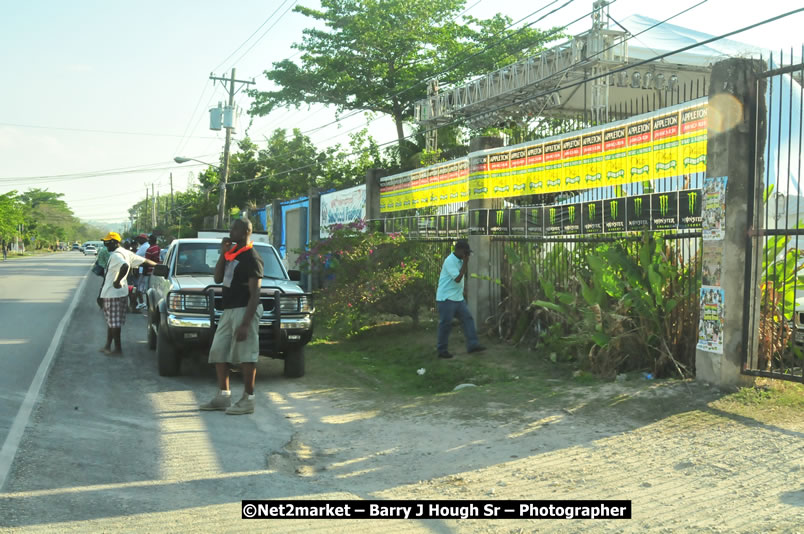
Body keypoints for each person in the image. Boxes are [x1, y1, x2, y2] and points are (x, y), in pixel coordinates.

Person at [200, 218, 264, 415]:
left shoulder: (252, 258)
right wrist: (222, 253)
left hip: (245, 309)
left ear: (245, 231)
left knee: (246, 355)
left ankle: (248, 399)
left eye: (234, 229)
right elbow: (218, 278)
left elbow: (255, 294)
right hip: (228, 310)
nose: (230, 232)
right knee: (219, 351)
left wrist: (245, 324)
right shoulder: (231, 255)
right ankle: (223, 396)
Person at [99, 232, 156, 355]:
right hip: (120, 293)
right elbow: (145, 261)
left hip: (113, 293)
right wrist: (161, 266)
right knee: (112, 321)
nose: (105, 245)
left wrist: (117, 281)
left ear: (114, 242)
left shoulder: (116, 255)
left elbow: (124, 266)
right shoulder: (126, 253)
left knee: (114, 323)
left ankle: (117, 349)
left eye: (107, 242)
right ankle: (108, 346)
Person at [435, 239, 485, 359]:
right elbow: (457, 278)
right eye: (465, 252)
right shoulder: (450, 261)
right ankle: (442, 350)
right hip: (446, 299)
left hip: (457, 299)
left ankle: (473, 345)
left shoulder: (460, 260)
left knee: (467, 319)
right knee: (445, 324)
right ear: (458, 250)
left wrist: (464, 291)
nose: (466, 255)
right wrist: (466, 262)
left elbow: (460, 280)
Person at [136, 234, 160, 310]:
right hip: (156, 271)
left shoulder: (149, 249)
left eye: (149, 239)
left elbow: (146, 262)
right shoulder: (157, 248)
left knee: (147, 289)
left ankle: (147, 304)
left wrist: (144, 272)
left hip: (148, 272)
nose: (148, 240)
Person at [134, 234, 149, 309]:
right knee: (142, 286)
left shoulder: (144, 247)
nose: (139, 240)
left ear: (144, 239)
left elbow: (136, 256)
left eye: (140, 239)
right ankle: (142, 302)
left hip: (142, 269)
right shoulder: (144, 246)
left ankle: (142, 302)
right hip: (143, 269)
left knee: (139, 286)